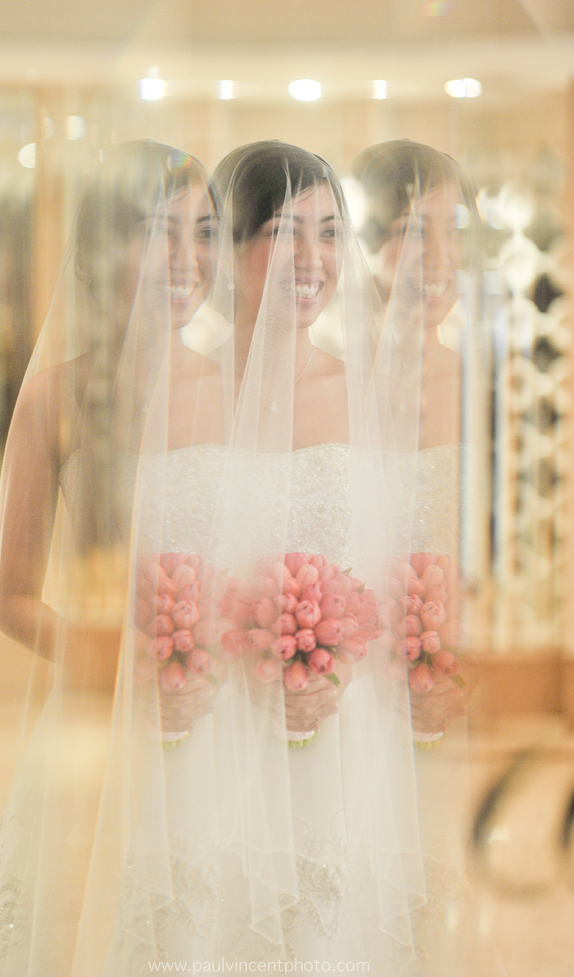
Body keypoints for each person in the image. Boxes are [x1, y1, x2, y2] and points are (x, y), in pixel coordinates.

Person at [73, 141, 427, 976]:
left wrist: (340, 666)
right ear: (228, 248)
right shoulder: (164, 395)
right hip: (199, 746)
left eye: (330, 233)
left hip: (327, 747)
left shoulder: (369, 393)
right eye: (283, 231)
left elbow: (394, 588)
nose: (313, 259)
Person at [0, 141, 222, 977]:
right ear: (100, 249)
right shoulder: (53, 395)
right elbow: (13, 597)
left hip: (219, 729)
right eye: (159, 231)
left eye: (203, 232)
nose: (187, 257)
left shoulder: (241, 393)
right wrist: (125, 660)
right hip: (100, 729)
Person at [351, 141, 503, 975]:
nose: (440, 256)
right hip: (331, 685)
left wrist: (450, 658)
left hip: (432, 698)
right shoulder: (325, 380)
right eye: (414, 230)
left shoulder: (468, 374)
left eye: (453, 229)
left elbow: (461, 548)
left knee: (414, 910)